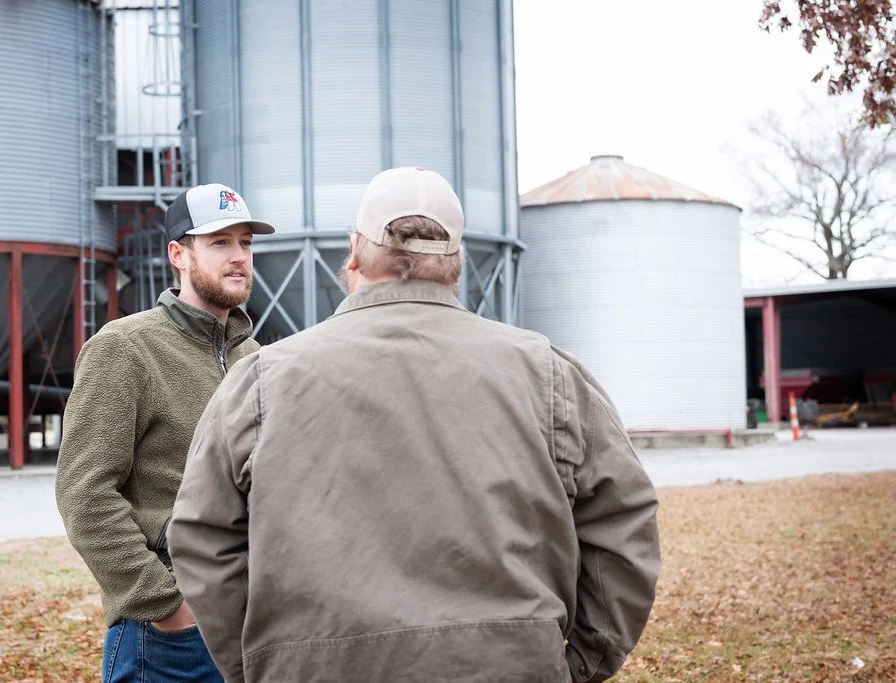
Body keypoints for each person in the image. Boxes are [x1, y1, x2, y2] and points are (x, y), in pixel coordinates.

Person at [168, 167, 661, 683]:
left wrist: (259, 666)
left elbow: (202, 538)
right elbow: (624, 522)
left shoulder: (263, 380)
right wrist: (580, 664)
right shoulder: (549, 374)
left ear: (354, 253)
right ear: (457, 263)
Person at [55, 182, 274, 683]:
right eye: (220, 242)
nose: (238, 256)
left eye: (246, 242)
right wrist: (165, 606)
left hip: (251, 627)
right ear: (179, 254)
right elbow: (84, 494)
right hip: (172, 636)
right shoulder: (126, 348)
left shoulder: (256, 360)